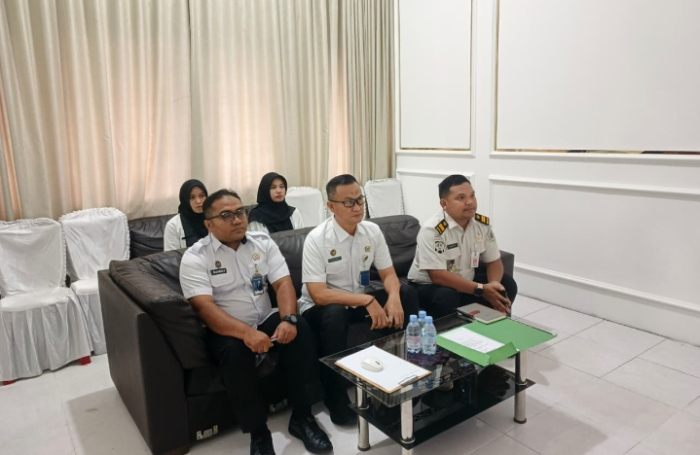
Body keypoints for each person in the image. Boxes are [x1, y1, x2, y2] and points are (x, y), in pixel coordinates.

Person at [179, 189, 332, 455]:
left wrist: (288, 319)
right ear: (209, 224)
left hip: (264, 316)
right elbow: (204, 308)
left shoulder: (262, 242)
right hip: (226, 328)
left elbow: (283, 284)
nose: (237, 219)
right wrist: (246, 334)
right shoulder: (196, 257)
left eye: (240, 212)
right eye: (226, 215)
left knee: (300, 329)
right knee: (235, 351)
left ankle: (303, 416)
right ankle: (258, 431)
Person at [298, 174, 420, 425]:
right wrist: (367, 301)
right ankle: (335, 396)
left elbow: (389, 275)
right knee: (335, 312)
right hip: (320, 307)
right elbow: (318, 293)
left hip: (356, 301)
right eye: (348, 202)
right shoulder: (317, 239)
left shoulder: (371, 231)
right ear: (331, 206)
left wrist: (393, 297)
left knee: (406, 293)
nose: (357, 207)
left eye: (360, 200)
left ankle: (404, 376)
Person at [407, 174, 517, 318]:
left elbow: (494, 261)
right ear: (444, 204)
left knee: (507, 284)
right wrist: (481, 289)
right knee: (447, 296)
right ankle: (446, 330)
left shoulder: (481, 224)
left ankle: (490, 323)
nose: (470, 202)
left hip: (467, 285)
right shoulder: (433, 230)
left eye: (472, 196)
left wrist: (493, 285)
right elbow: (438, 276)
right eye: (461, 198)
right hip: (428, 286)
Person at [164, 179, 209, 251]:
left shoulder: (215, 218)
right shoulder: (173, 225)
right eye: (192, 197)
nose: (198, 201)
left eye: (202, 196)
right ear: (185, 200)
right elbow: (172, 256)